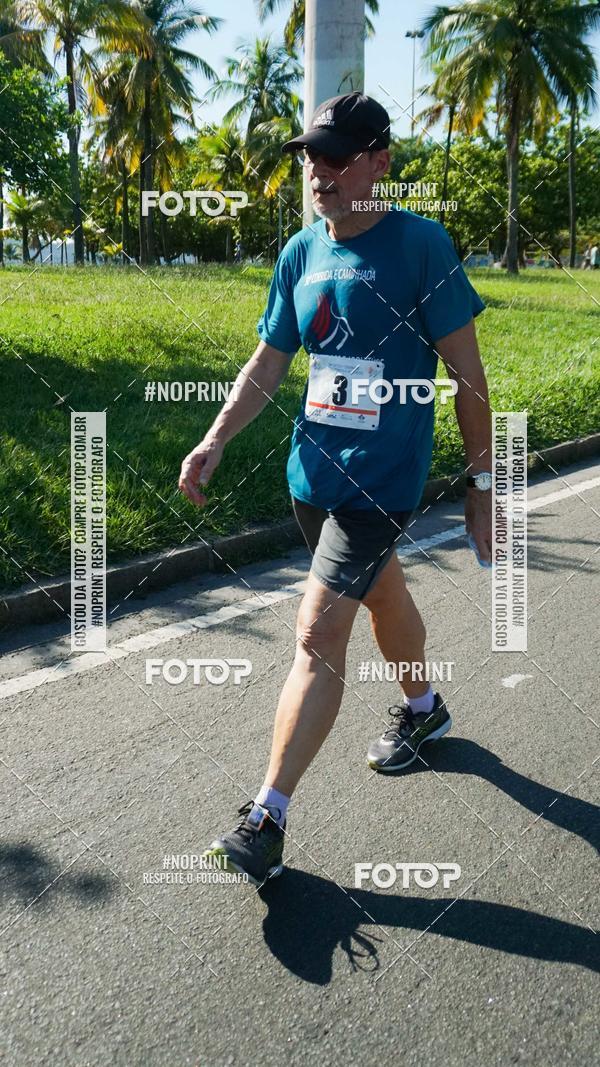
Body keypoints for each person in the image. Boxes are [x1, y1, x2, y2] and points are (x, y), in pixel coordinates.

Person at [179, 92, 492, 887]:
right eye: (311, 156)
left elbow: (468, 378)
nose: (318, 171)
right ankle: (426, 711)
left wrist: (481, 481)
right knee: (384, 596)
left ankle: (266, 818)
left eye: (337, 155)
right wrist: (216, 436)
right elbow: (269, 363)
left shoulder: (424, 246)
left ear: (380, 162)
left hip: (381, 484)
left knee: (318, 634)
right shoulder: (301, 252)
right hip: (310, 478)